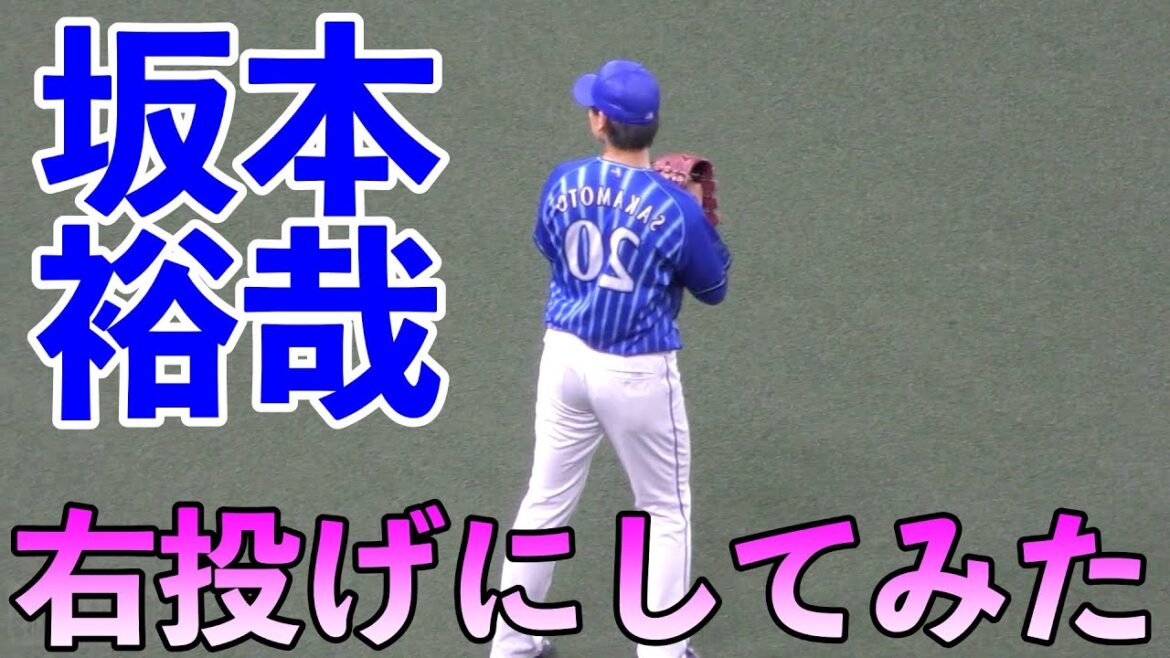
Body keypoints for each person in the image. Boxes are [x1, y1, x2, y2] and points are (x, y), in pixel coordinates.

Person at [490, 59, 732, 658]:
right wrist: (696, 217)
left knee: (544, 501)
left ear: (600, 122)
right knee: (664, 511)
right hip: (636, 372)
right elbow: (714, 288)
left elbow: (549, 246)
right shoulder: (675, 210)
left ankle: (512, 643)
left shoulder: (563, 180)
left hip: (565, 359)